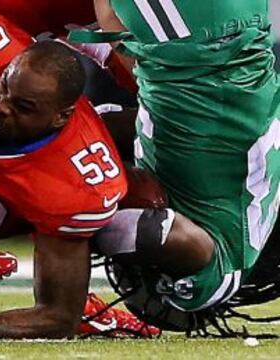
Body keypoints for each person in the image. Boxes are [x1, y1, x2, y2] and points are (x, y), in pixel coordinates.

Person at [0, 5, 162, 339]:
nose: (1, 106)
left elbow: (58, 316)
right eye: (3, 87)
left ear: (60, 117)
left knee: (148, 203)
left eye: (24, 107)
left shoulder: (75, 180)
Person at [68, 0, 280, 332]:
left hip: (239, 31)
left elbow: (145, 103)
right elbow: (154, 230)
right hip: (203, 43)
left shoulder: (239, 196)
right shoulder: (215, 266)